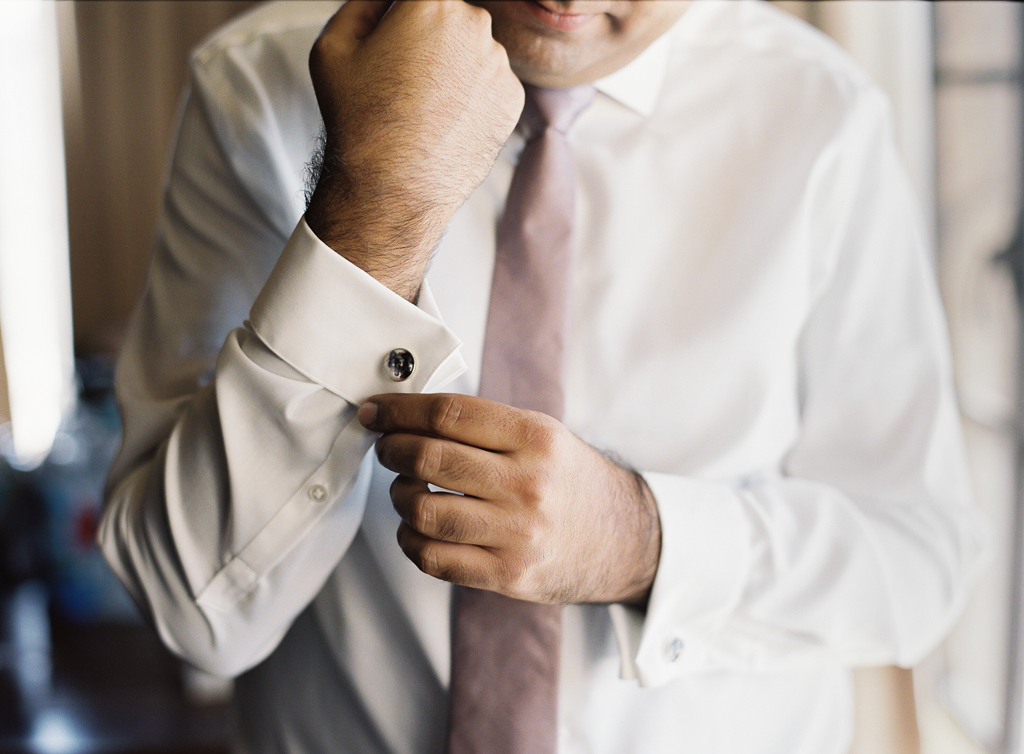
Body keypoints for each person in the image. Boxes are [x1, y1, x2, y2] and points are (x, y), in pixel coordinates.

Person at [99, 1, 990, 752]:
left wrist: (645, 544)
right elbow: (196, 613)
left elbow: (918, 561)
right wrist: (374, 210)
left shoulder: (825, 117)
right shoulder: (254, 90)